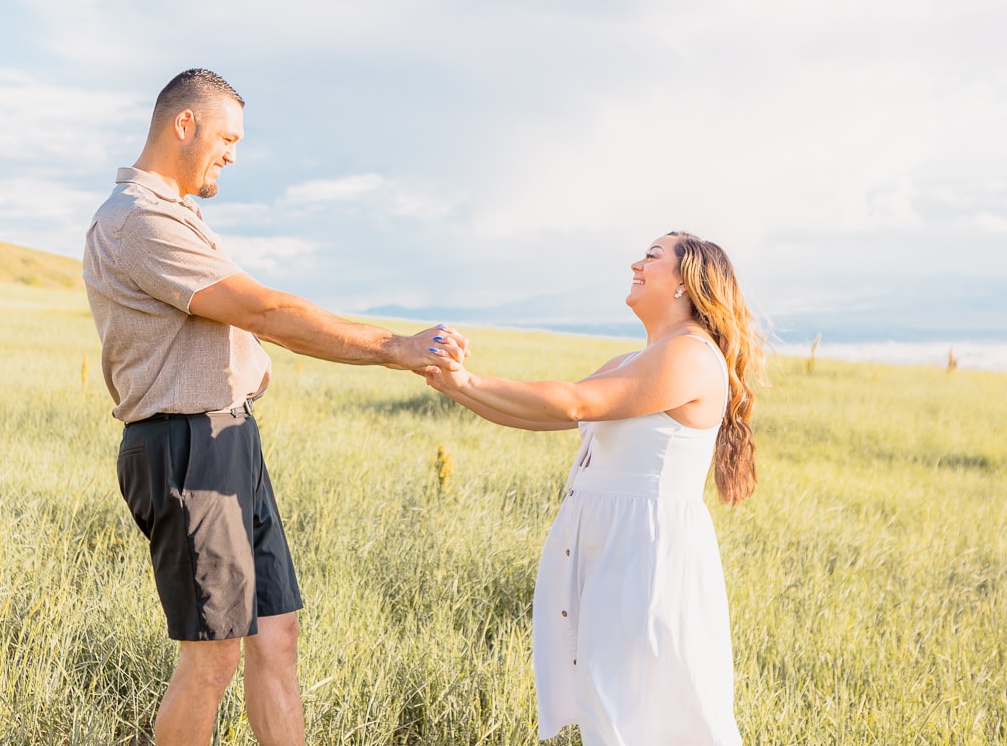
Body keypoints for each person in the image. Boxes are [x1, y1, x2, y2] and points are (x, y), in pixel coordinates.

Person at [82, 68, 467, 746]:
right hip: (185, 446)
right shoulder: (138, 220)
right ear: (184, 124)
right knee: (213, 657)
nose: (233, 154)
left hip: (228, 439)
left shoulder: (175, 214)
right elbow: (263, 311)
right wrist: (394, 347)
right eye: (227, 138)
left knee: (276, 635)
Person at [425, 232, 764, 745]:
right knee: (614, 711)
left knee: (641, 714)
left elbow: (573, 402)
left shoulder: (689, 355)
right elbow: (548, 415)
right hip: (613, 547)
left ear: (685, 282)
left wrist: (468, 381)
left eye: (652, 256)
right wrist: (453, 383)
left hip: (645, 553)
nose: (636, 263)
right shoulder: (633, 360)